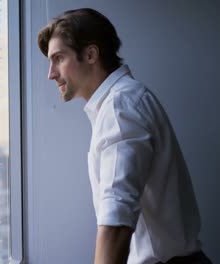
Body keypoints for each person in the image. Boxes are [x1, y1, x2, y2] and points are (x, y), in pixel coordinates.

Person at [37, 8, 212, 264]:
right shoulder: (122, 101)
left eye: (58, 58)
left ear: (90, 54)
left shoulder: (120, 106)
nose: (51, 73)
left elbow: (116, 218)